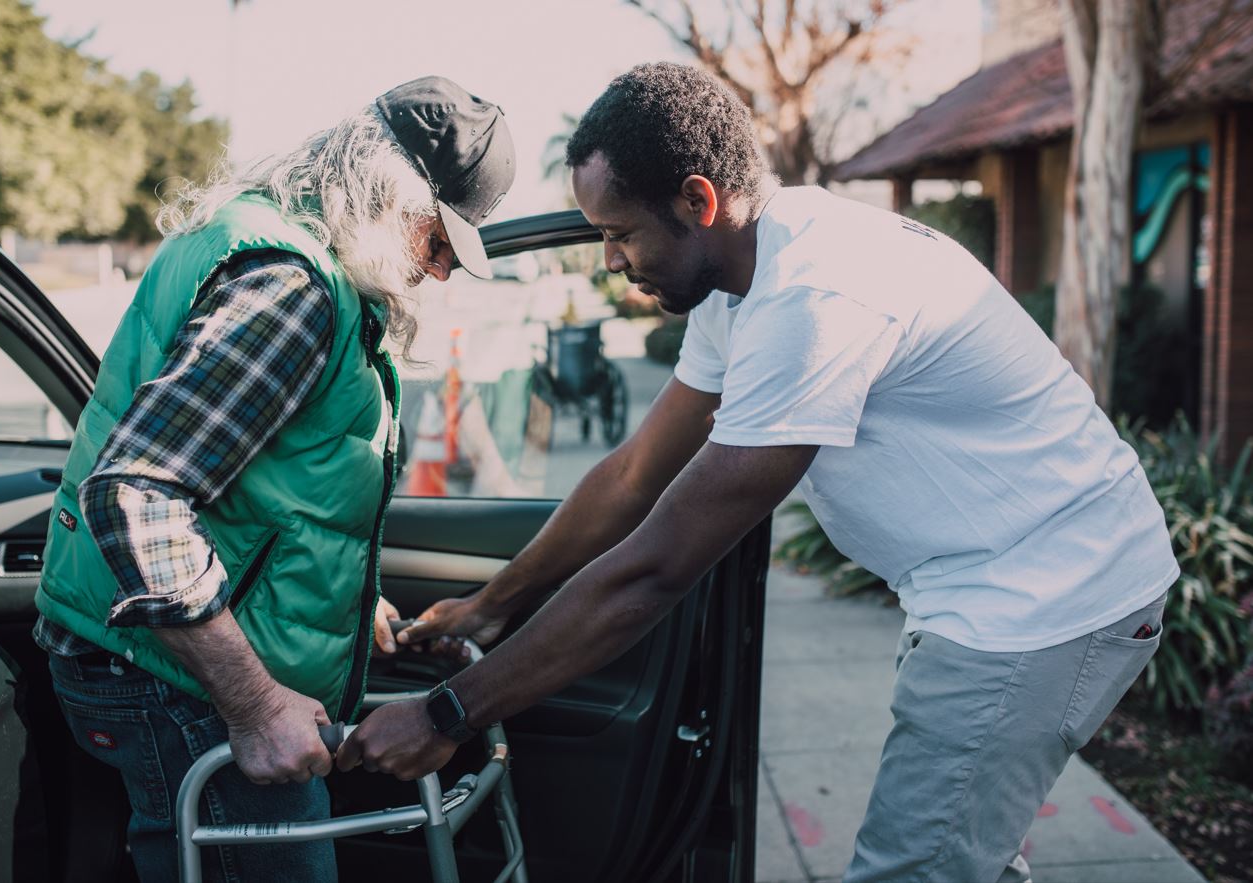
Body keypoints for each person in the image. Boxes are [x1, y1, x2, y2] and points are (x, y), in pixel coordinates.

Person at [338, 63, 1178, 883]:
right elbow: (635, 475)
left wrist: (451, 712)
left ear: (697, 201)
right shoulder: (742, 280)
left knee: (914, 865)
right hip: (987, 586)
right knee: (961, 851)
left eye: (620, 232)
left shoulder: (813, 296)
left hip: (1047, 598)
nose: (608, 260)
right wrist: (494, 603)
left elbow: (657, 566)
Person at [33, 76, 515, 882]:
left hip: (145, 654)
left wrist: (344, 603)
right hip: (173, 680)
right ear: (387, 194)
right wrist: (255, 706)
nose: (438, 271)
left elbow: (259, 483)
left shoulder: (257, 242)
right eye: (438, 240)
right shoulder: (292, 289)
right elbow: (138, 494)